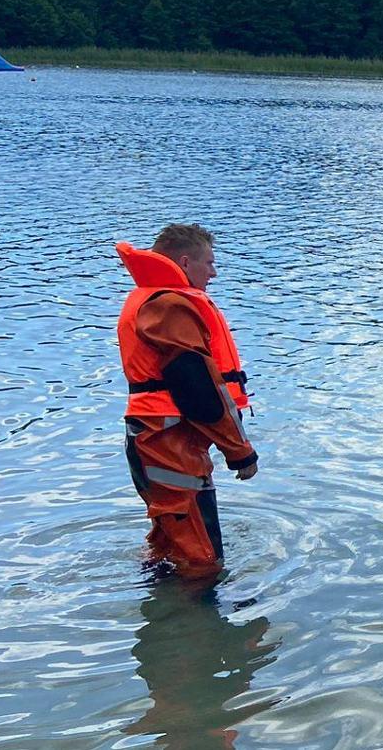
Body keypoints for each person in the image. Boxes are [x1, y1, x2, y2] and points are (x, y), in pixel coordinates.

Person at [116, 224, 258, 574]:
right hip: (166, 441)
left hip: (155, 437)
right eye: (208, 263)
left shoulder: (156, 300)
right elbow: (198, 391)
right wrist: (240, 453)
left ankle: (165, 608)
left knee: (170, 545)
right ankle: (193, 622)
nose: (214, 272)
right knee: (202, 562)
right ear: (184, 261)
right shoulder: (168, 306)